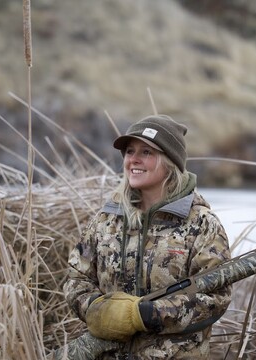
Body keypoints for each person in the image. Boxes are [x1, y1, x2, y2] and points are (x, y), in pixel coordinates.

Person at [63, 114, 232, 359]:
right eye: (130, 151)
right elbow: (76, 278)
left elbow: (215, 298)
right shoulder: (106, 220)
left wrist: (144, 315)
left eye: (147, 152)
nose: (134, 160)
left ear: (170, 161)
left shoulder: (201, 224)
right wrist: (96, 310)